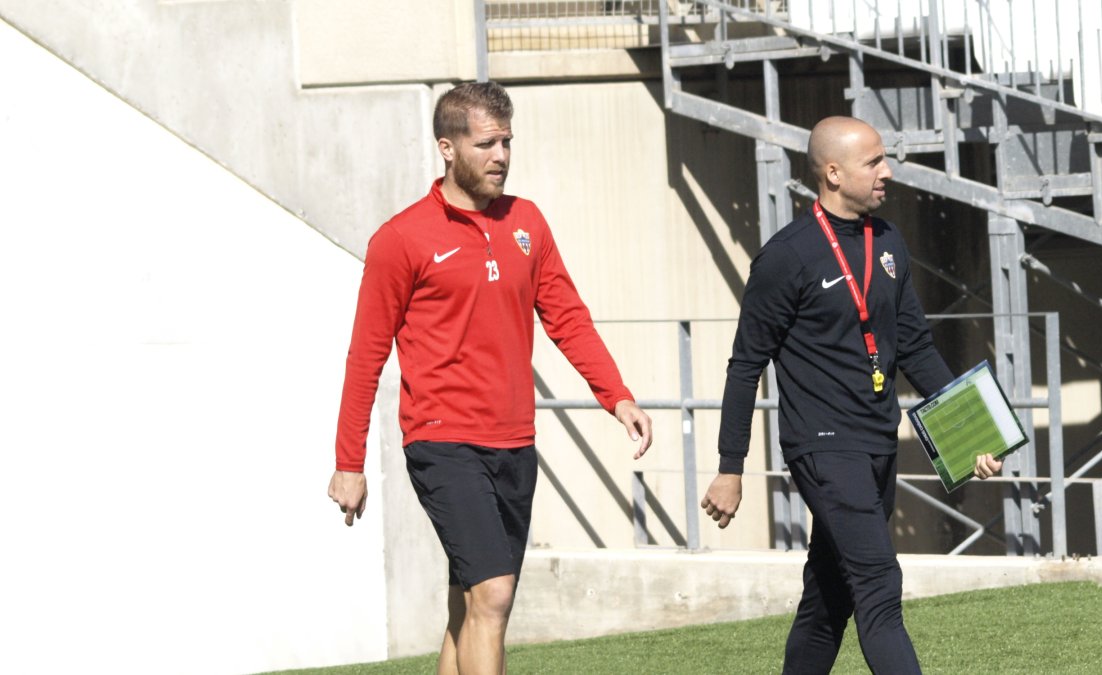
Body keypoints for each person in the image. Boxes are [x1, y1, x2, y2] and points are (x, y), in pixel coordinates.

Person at [327, 81, 653, 675]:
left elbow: (568, 317)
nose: (501, 155)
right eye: (486, 144)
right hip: (442, 440)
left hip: (515, 443)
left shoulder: (527, 221)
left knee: (472, 602)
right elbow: (365, 356)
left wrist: (617, 396)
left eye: (507, 141)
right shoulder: (400, 240)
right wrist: (350, 461)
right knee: (495, 595)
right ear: (447, 148)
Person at [700, 116, 1002, 674]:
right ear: (833, 173)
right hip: (822, 447)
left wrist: (975, 435)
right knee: (879, 583)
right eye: (874, 162)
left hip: (877, 442)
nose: (887, 172)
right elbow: (745, 366)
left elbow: (915, 348)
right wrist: (730, 465)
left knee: (829, 597)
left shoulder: (886, 240)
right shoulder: (786, 257)